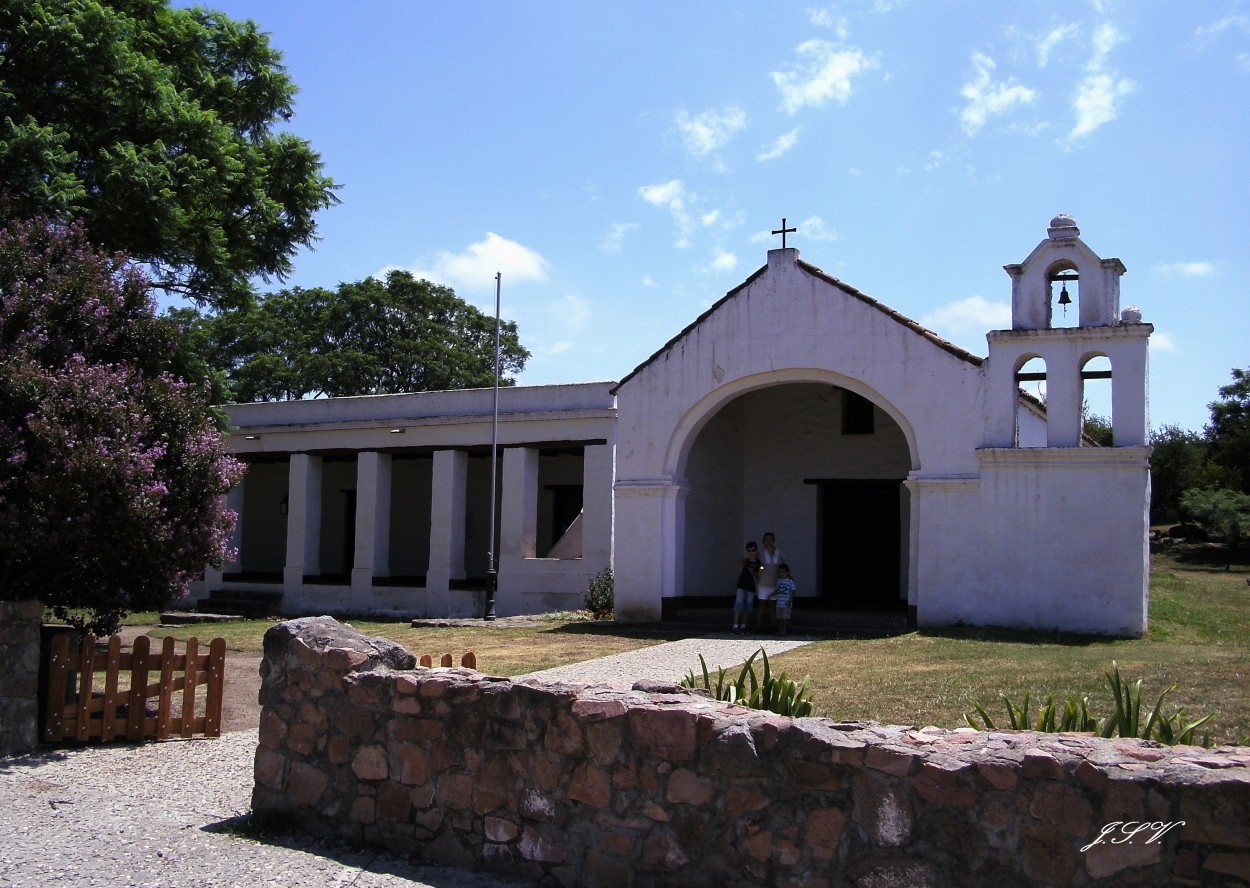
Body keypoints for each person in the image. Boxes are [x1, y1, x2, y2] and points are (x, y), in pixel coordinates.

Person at [754, 532, 784, 628]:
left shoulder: (778, 552)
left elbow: (784, 565)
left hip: (775, 582)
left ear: (773, 541)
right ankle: (758, 627)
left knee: (773, 605)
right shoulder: (760, 553)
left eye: (770, 539)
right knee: (761, 605)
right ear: (763, 541)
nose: (768, 541)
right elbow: (755, 564)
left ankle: (774, 627)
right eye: (766, 540)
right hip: (763, 582)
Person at [732, 541, 762, 634]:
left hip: (751, 586)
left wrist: (762, 567)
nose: (751, 552)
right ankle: (735, 627)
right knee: (739, 605)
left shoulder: (759, 563)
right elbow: (740, 573)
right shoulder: (744, 561)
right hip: (742, 585)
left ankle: (743, 626)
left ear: (756, 550)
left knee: (747, 607)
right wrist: (737, 584)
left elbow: (758, 575)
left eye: (753, 550)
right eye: (749, 551)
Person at [773, 564, 796, 636]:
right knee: (779, 618)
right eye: (780, 572)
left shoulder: (790, 581)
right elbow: (777, 590)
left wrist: (790, 600)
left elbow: (793, 591)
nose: (781, 573)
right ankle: (780, 630)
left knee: (784, 618)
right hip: (779, 602)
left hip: (786, 603)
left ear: (787, 572)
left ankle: (784, 630)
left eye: (783, 572)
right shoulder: (778, 581)